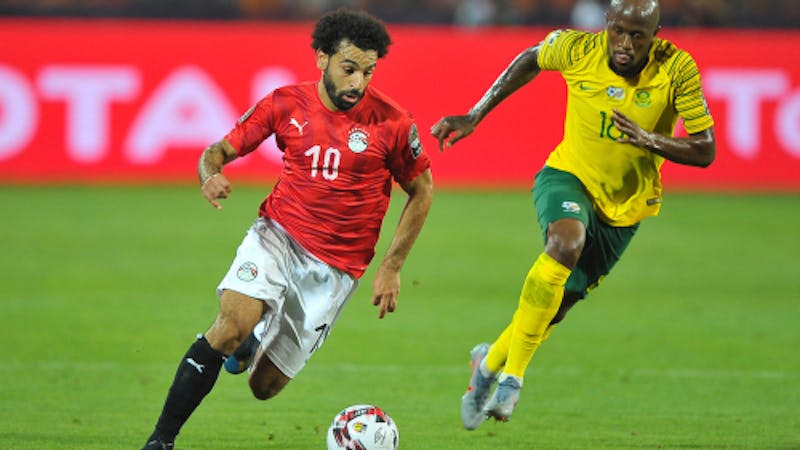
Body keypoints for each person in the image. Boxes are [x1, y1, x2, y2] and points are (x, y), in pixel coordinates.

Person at [141, 8, 433, 449]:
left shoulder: (392, 123)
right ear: (322, 58)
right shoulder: (284, 103)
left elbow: (422, 191)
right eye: (349, 68)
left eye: (368, 71)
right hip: (278, 236)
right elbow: (216, 151)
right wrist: (210, 175)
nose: (358, 82)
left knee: (264, 387)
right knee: (228, 327)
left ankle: (255, 340)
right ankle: (161, 440)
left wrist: (392, 267)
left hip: (335, 271)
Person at [431, 0, 715, 430]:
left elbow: (705, 149)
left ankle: (486, 365)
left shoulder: (677, 68)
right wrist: (476, 113)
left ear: (654, 34)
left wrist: (651, 141)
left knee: (556, 308)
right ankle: (511, 380)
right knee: (565, 243)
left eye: (637, 35)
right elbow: (529, 58)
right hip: (568, 176)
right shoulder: (577, 49)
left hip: (625, 207)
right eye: (618, 31)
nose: (624, 43)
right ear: (607, 25)